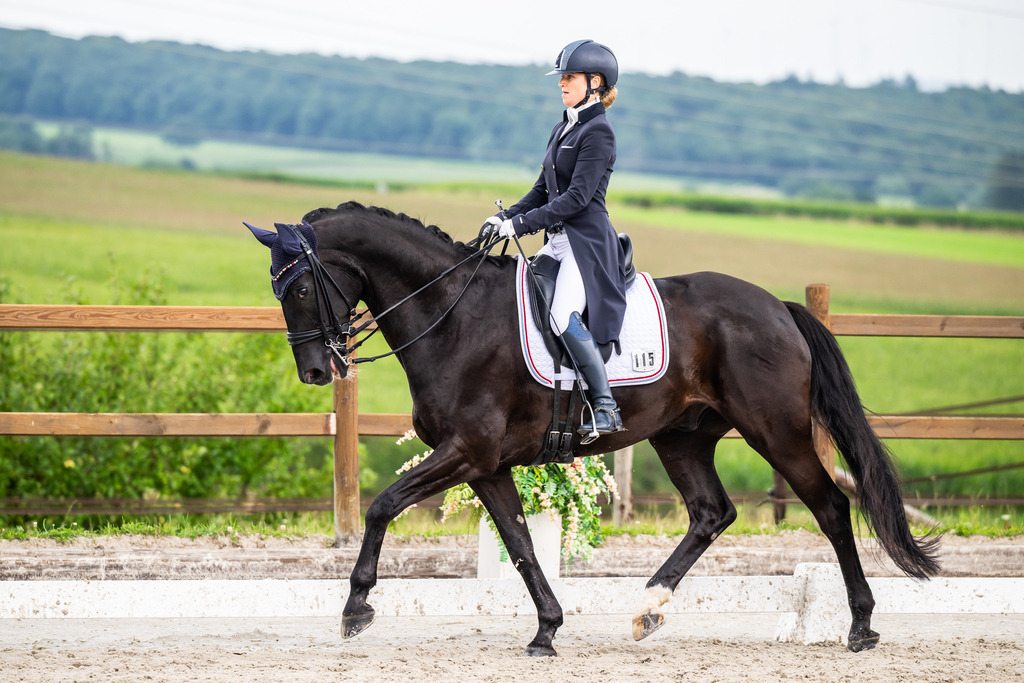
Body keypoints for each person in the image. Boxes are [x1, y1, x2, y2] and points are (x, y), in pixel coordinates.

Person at [483, 39, 628, 440]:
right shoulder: (564, 125)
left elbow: (577, 199)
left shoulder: (598, 133)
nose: (562, 84)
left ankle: (605, 407)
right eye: (561, 77)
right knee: (515, 297)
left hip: (587, 244)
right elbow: (541, 191)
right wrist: (504, 217)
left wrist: (522, 226)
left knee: (561, 314)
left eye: (570, 77)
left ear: (594, 82)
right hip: (559, 241)